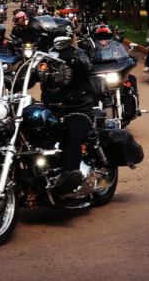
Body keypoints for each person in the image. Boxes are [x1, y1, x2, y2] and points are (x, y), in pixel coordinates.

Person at [38, 36, 97, 192]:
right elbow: (29, 76)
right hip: (52, 109)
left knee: (72, 134)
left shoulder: (79, 54)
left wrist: (68, 59)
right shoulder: (47, 57)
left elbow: (87, 66)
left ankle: (70, 175)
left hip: (78, 108)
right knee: (36, 132)